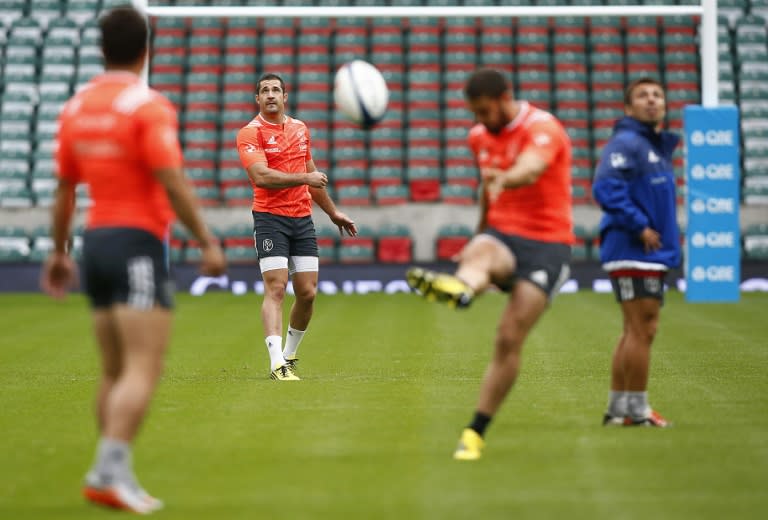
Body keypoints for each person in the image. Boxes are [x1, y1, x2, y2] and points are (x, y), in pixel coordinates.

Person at [40, 5, 226, 514]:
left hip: (94, 243)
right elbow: (171, 178)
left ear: (102, 50)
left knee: (114, 370)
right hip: (137, 244)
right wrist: (207, 241)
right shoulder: (147, 106)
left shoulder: (76, 107)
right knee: (143, 368)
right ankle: (105, 471)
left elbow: (64, 190)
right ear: (147, 51)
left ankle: (117, 476)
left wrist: (58, 252)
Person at [406, 68, 573, 460]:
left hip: (548, 245)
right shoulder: (479, 135)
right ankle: (462, 287)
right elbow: (486, 185)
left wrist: (506, 181)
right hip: (503, 234)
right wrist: (478, 234)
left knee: (508, 338)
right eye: (475, 114)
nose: (480, 121)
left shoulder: (542, 126)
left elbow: (530, 167)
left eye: (485, 112)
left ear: (504, 98)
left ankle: (475, 431)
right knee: (480, 252)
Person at [236, 73, 357, 381]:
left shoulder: (300, 129)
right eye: (265, 91)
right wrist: (305, 179)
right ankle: (276, 362)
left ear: (285, 97)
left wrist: (332, 213)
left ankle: (289, 354)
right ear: (258, 99)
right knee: (276, 288)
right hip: (269, 218)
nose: (271, 94)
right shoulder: (250, 133)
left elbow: (311, 172)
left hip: (302, 219)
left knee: (307, 293)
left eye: (276, 89)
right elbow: (261, 177)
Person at [592, 77, 680, 428]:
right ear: (628, 108)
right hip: (634, 249)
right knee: (643, 330)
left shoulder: (652, 146)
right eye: (643, 96)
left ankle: (619, 409)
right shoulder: (627, 143)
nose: (652, 100)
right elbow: (605, 188)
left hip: (644, 252)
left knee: (634, 330)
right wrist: (639, 225)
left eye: (658, 94)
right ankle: (637, 411)